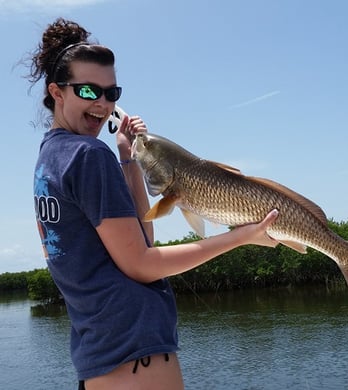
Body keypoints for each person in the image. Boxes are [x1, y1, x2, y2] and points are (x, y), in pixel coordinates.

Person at [28, 18, 279, 390]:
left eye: (111, 93)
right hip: (136, 360)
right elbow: (142, 265)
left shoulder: (51, 158)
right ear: (57, 91)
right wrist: (240, 237)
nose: (101, 103)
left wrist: (129, 158)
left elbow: (143, 236)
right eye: (88, 90)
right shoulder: (87, 155)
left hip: (100, 358)